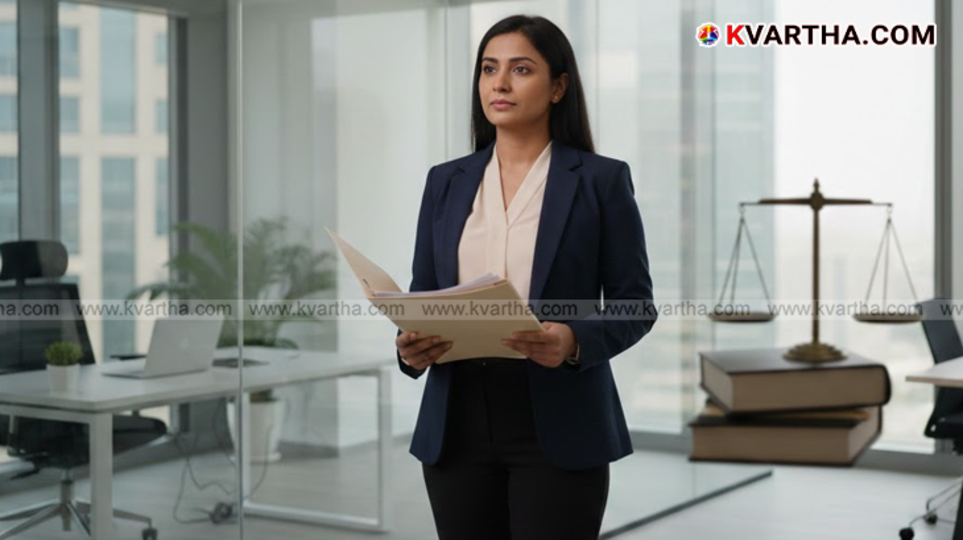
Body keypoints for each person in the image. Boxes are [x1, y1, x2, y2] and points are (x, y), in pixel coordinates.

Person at [394, 14, 657, 540]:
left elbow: (636, 304)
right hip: (456, 422)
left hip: (559, 420)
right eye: (489, 69)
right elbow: (423, 296)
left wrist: (574, 339)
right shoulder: (445, 182)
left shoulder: (601, 181)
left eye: (521, 69)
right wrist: (408, 347)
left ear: (558, 87)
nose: (500, 83)